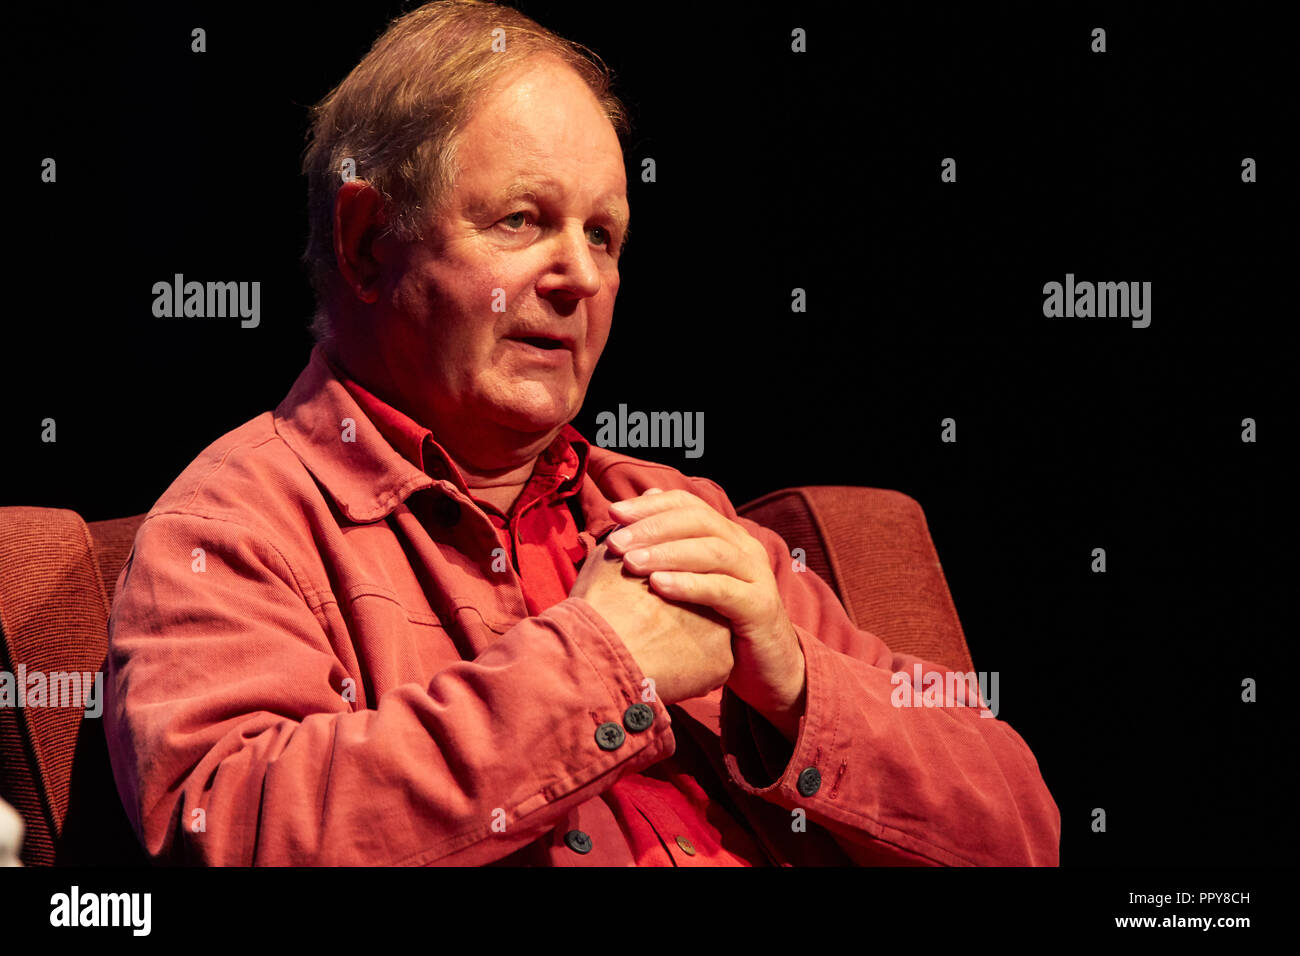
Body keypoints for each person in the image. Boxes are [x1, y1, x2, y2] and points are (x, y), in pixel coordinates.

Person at [104, 0, 1060, 865]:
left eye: (603, 236)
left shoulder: (679, 515)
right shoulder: (235, 526)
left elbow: (1024, 827)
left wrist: (800, 685)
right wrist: (600, 663)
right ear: (366, 245)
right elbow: (231, 829)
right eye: (523, 221)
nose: (582, 277)